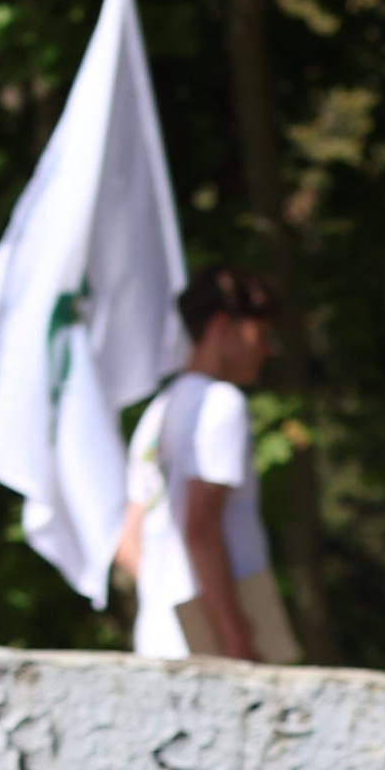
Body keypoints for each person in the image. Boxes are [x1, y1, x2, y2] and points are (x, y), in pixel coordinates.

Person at [121, 265, 301, 667]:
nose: (267, 350)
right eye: (262, 333)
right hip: (212, 649)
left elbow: (128, 541)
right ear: (223, 326)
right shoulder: (222, 404)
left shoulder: (156, 414)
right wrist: (236, 639)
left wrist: (166, 595)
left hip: (156, 637)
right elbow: (200, 526)